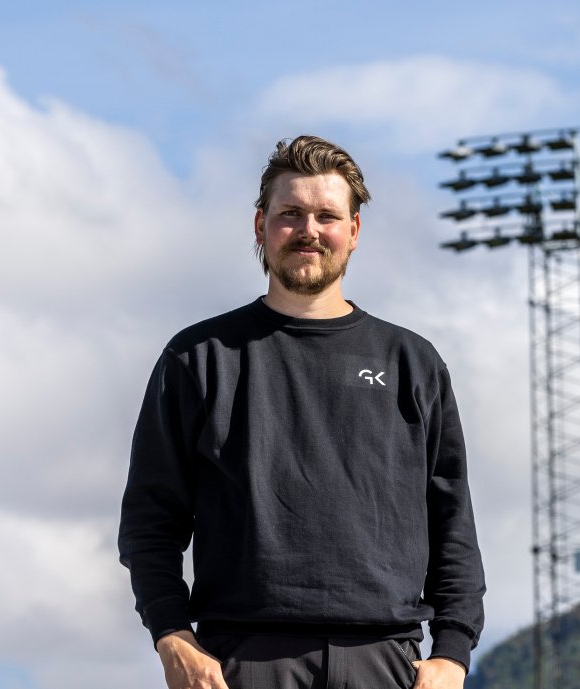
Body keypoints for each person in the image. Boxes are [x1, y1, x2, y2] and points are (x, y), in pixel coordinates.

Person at [118, 135, 485, 689]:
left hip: (386, 661)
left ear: (353, 231)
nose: (308, 230)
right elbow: (150, 521)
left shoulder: (412, 362)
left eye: (326, 216)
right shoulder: (199, 358)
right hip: (240, 661)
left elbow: (452, 521)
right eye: (290, 213)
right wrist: (172, 635)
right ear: (260, 224)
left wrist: (452, 653)